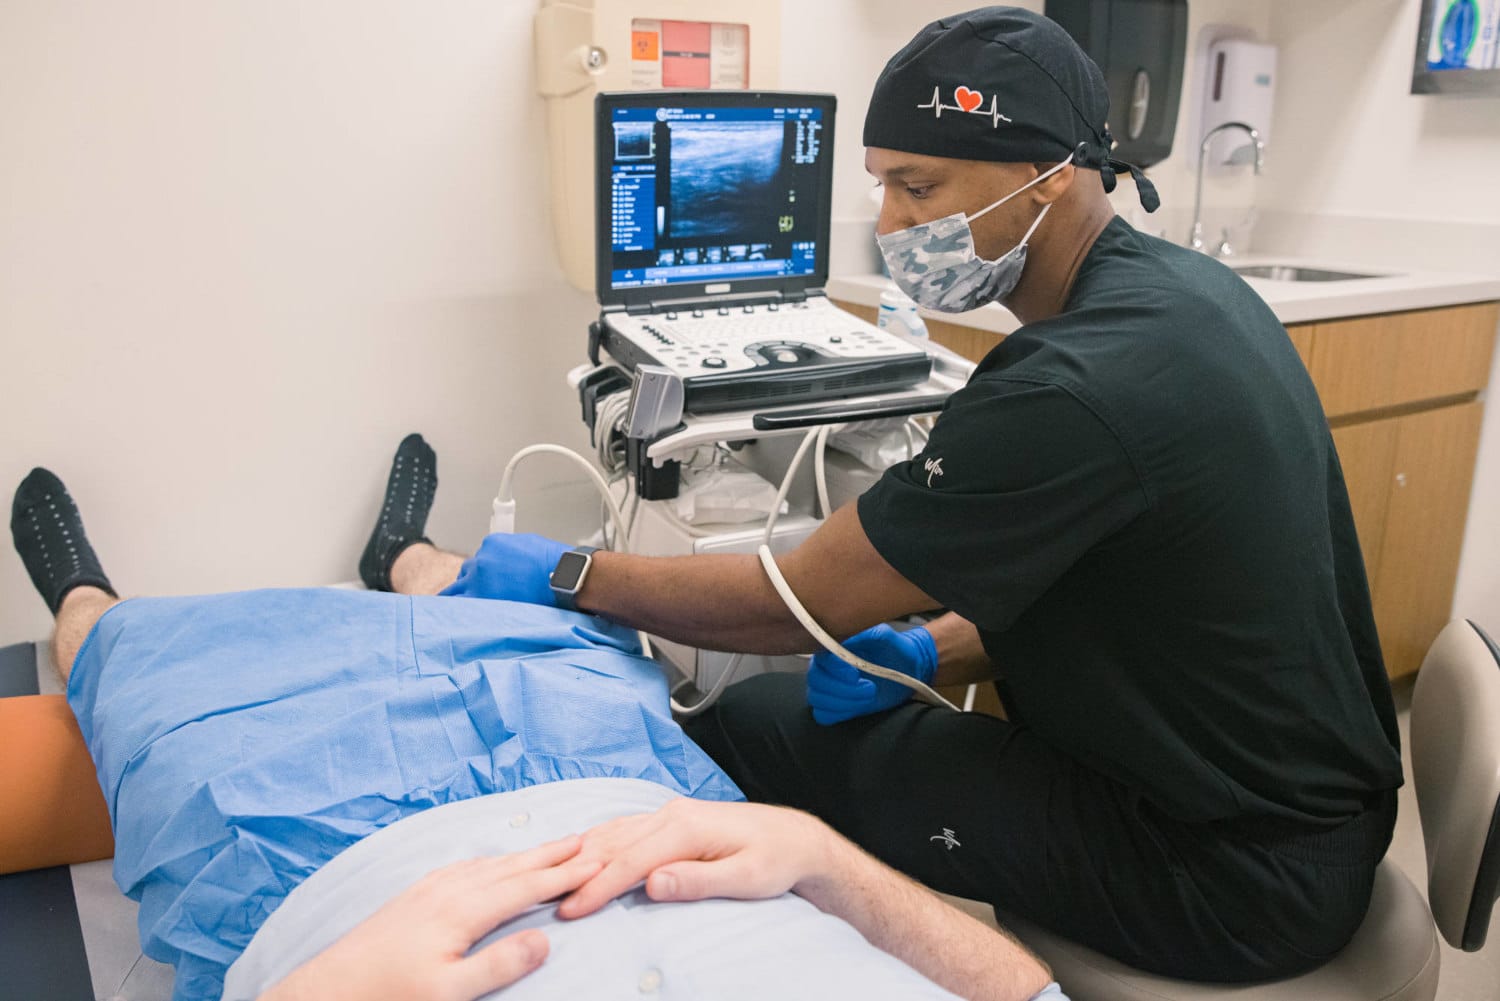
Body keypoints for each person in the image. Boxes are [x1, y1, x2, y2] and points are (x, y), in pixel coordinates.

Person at [434, 6, 1404, 983]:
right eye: (882, 186)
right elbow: (1112, 586)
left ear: (1052, 172)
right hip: (1295, 815)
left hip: (1226, 876)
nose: (893, 225)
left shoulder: (1074, 384)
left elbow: (791, 601)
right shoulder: (1189, 298)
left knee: (755, 729)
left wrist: (569, 569)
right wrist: (927, 646)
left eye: (919, 185)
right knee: (813, 721)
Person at [5, 448, 1061, 1001]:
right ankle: (414, 562)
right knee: (551, 637)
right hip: (642, 799)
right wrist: (823, 856)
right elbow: (1031, 986)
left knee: (149, 678)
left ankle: (84, 601)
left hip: (309, 864)